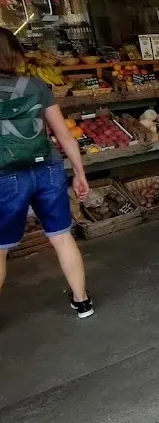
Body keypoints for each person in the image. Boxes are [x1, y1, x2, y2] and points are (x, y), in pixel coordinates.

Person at [0, 27, 93, 317]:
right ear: (15, 54)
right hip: (48, 169)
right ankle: (82, 302)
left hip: (5, 175)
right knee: (62, 237)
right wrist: (80, 173)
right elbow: (64, 135)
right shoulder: (37, 86)